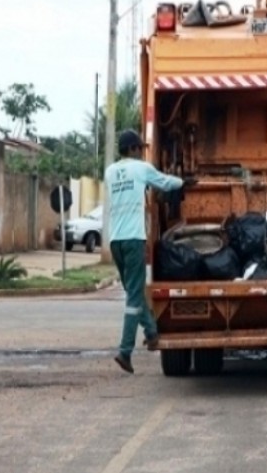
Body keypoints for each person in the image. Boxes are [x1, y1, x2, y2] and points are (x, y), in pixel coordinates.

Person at [105, 129, 188, 374]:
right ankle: (125, 351)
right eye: (139, 148)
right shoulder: (140, 169)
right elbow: (163, 181)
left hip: (115, 240)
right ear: (133, 149)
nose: (141, 152)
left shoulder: (110, 172)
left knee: (134, 289)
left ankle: (152, 333)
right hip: (133, 239)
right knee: (133, 297)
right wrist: (183, 182)